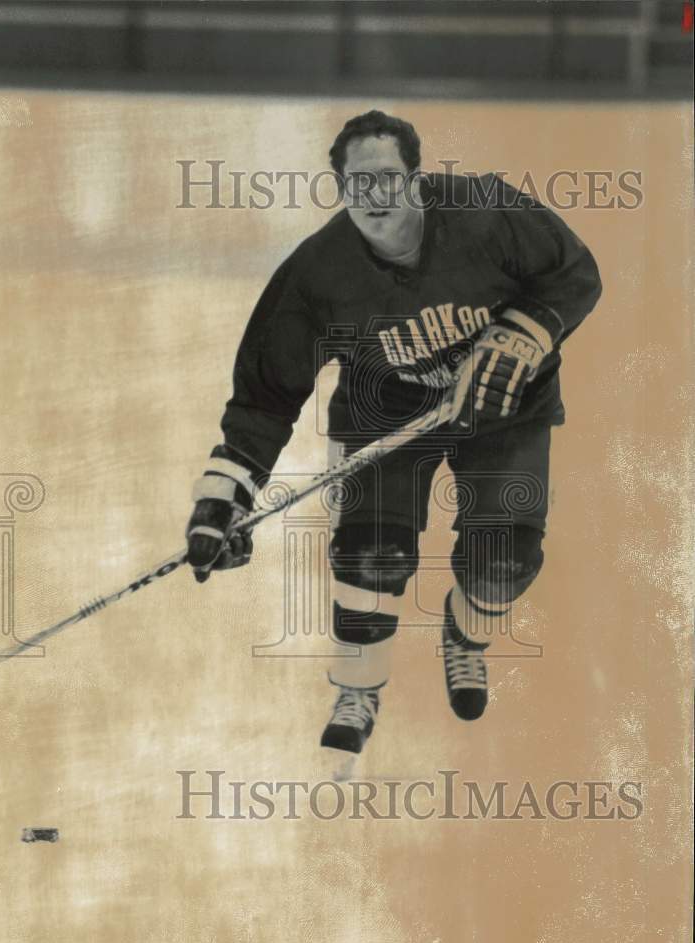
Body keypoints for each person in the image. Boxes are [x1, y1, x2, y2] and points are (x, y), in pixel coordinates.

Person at [185, 109, 602, 753]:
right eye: (358, 184)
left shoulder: (485, 211)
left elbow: (575, 272)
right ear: (341, 189)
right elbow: (267, 396)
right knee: (369, 558)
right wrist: (225, 497)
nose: (374, 197)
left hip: (504, 407)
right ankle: (360, 684)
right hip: (385, 415)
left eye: (387, 179)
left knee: (504, 561)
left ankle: (463, 636)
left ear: (416, 179)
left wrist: (522, 333)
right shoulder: (317, 275)